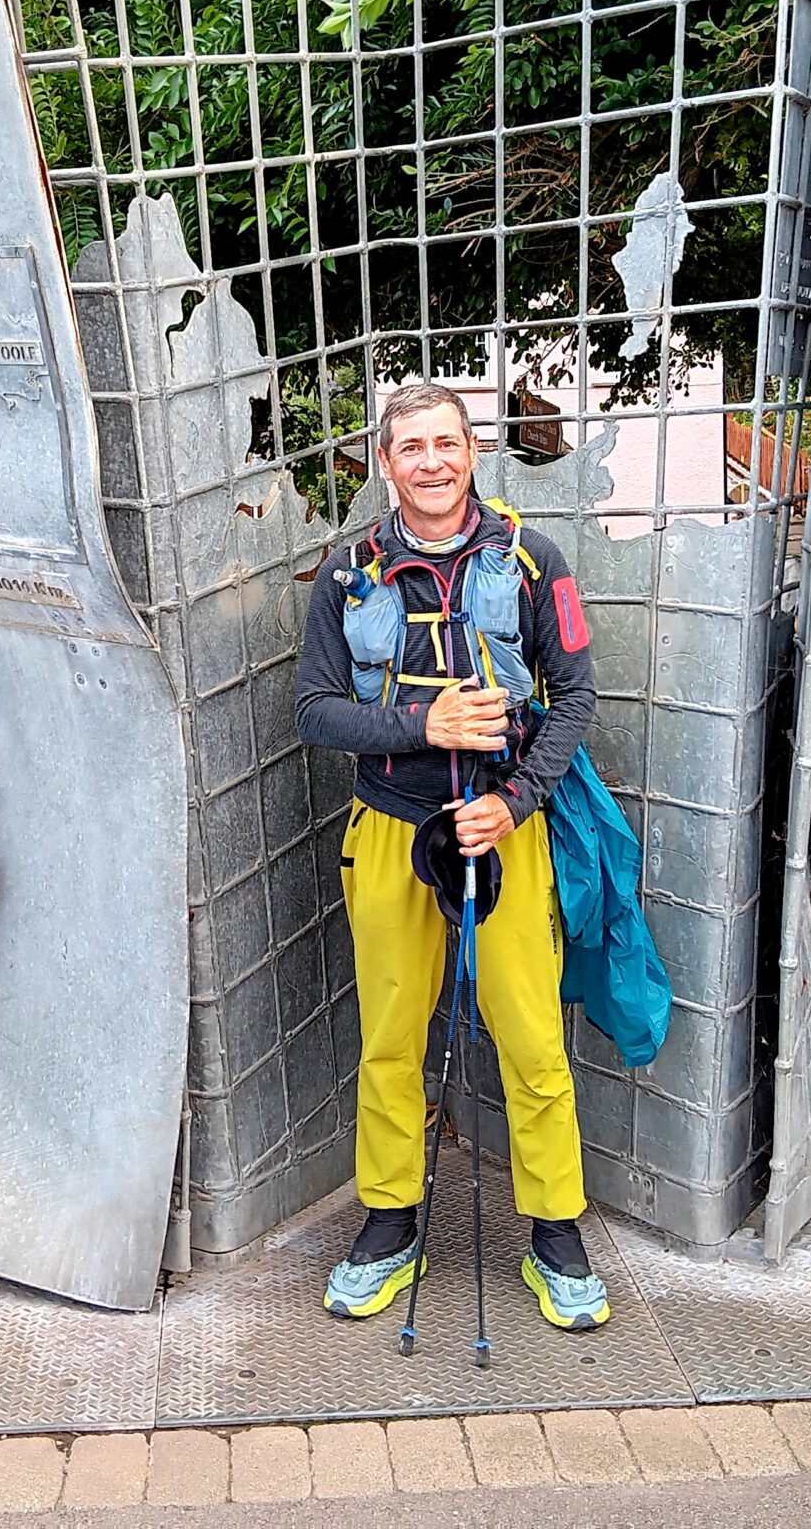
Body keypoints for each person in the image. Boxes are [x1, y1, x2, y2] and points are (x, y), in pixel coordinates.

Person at [293, 380, 610, 1331]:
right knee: (390, 1038)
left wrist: (517, 803)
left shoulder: (531, 561)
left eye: (446, 444)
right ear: (385, 466)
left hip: (501, 829)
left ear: (472, 452)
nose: (430, 462)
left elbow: (577, 695)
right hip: (391, 827)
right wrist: (418, 721)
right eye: (410, 449)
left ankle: (554, 1232)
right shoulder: (346, 573)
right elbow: (313, 710)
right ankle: (390, 1223)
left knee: (530, 1036)